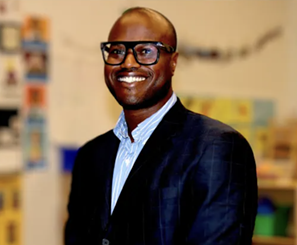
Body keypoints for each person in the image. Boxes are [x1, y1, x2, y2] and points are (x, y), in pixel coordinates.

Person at [64, 7, 258, 245]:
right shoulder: (90, 157)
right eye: (116, 51)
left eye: (145, 51)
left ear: (173, 62)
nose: (128, 62)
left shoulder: (216, 147)